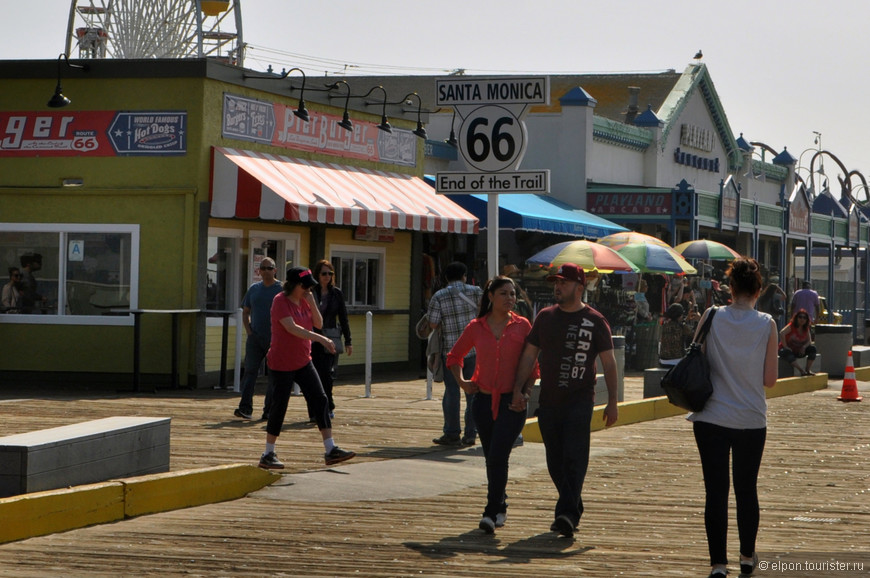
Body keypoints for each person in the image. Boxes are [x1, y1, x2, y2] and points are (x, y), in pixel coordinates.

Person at [512, 263, 618, 537]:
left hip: (580, 400)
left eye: (563, 282)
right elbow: (529, 355)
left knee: (575, 457)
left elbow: (609, 363)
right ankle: (573, 506)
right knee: (554, 460)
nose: (557, 287)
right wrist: (518, 388)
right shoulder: (545, 317)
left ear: (579, 287)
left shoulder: (595, 320)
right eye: (555, 283)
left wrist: (613, 402)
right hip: (549, 400)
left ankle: (566, 514)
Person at [688, 257, 778, 577]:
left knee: (715, 491)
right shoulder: (767, 323)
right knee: (746, 489)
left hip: (710, 416)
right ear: (758, 291)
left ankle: (717, 565)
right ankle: (746, 558)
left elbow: (694, 358)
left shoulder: (711, 316)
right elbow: (769, 380)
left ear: (731, 288)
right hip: (751, 419)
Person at [446, 276, 538, 534]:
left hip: (513, 402)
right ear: (490, 297)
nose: (510, 298)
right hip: (482, 402)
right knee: (492, 458)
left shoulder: (523, 326)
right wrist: (463, 382)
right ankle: (501, 504)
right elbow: (454, 356)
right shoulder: (477, 327)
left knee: (498, 454)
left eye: (513, 294)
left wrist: (526, 393)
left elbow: (533, 365)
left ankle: (489, 511)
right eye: (504, 294)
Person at [258, 267, 356, 469]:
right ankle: (268, 453)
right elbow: (293, 329)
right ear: (293, 285)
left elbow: (318, 323)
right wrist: (321, 339)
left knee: (321, 400)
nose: (308, 289)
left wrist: (312, 302)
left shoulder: (305, 300)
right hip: (282, 362)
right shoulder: (280, 301)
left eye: (310, 286)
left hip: (303, 360)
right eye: (305, 286)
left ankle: (330, 449)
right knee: (279, 406)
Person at [427, 261, 483, 447]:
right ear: (464, 276)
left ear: (445, 278)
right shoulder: (476, 291)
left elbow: (433, 323)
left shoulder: (439, 296)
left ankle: (451, 433)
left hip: (451, 352)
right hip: (474, 350)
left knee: (452, 392)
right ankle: (470, 434)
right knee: (473, 393)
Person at [234, 257, 283, 420]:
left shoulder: (281, 289)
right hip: (255, 339)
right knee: (250, 372)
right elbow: (246, 311)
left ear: (275, 270)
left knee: (273, 376)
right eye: (264, 268)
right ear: (259, 271)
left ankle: (268, 411)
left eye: (270, 268)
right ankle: (245, 408)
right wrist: (249, 331)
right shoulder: (254, 289)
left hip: (275, 339)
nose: (267, 271)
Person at [311, 259, 352, 419]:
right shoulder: (311, 292)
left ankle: (328, 406)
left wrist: (348, 340)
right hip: (313, 336)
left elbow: (343, 317)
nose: (327, 276)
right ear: (318, 275)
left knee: (327, 374)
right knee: (314, 375)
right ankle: (314, 411)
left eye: (330, 273)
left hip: (331, 337)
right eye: (324, 273)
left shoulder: (337, 293)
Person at [778, 309, 817, 376]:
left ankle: (808, 370)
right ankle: (801, 370)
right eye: (800, 317)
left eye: (804, 318)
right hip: (788, 351)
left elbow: (809, 341)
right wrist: (785, 346)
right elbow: (782, 333)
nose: (802, 319)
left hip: (799, 351)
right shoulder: (792, 326)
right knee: (786, 353)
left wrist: (804, 347)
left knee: (812, 349)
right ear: (796, 318)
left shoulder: (806, 328)